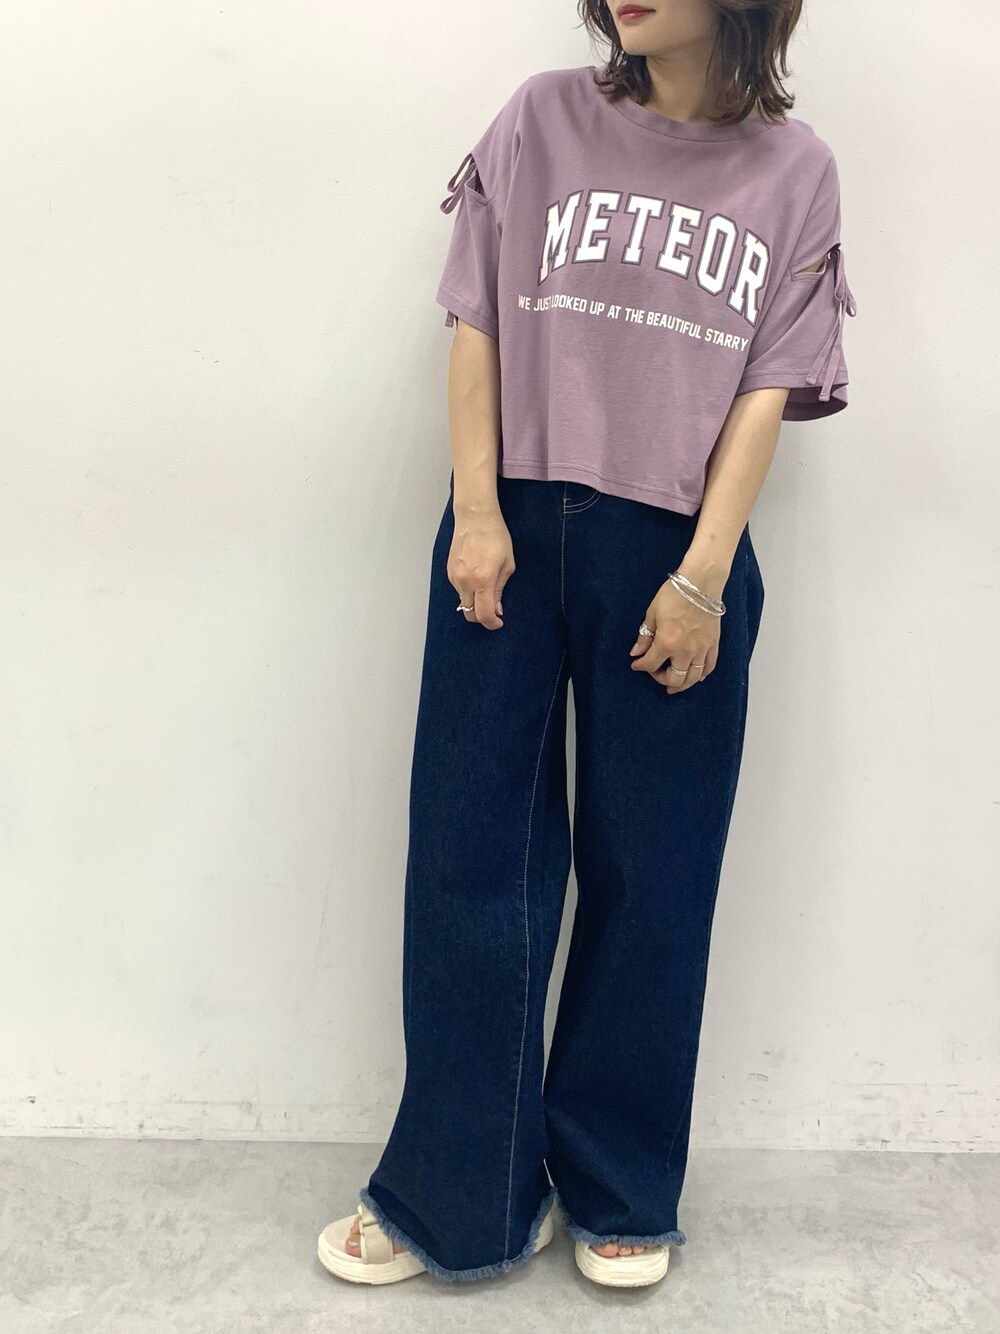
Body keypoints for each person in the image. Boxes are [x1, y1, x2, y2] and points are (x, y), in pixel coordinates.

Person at [318, 0, 857, 1291]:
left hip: (674, 554)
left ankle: (618, 1181)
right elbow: (477, 321)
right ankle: (460, 1190)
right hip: (506, 528)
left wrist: (703, 577)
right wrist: (477, 510)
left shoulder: (796, 172)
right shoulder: (541, 120)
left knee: (653, 874)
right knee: (472, 857)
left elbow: (767, 386)